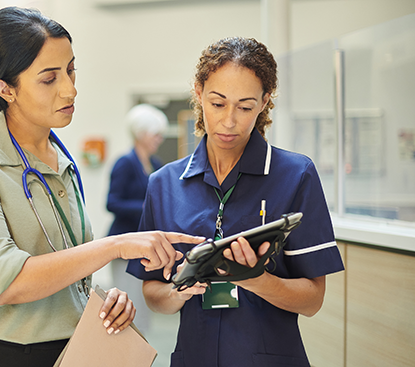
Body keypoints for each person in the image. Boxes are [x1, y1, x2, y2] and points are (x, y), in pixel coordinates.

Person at [0, 7, 202, 367]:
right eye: (49, 79)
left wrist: (101, 299)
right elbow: (6, 282)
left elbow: (66, 267)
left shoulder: (60, 157)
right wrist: (116, 245)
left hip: (70, 350)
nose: (70, 89)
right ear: (5, 89)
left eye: (71, 70)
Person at [127, 37, 345, 367]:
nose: (230, 121)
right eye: (217, 103)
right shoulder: (164, 184)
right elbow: (152, 292)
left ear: (264, 102)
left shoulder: (296, 175)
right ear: (199, 94)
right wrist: (179, 291)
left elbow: (312, 299)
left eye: (245, 107)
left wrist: (256, 279)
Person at [106, 103, 168, 335]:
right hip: (123, 249)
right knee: (126, 311)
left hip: (144, 251)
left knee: (142, 314)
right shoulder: (125, 163)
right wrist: (144, 207)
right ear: (141, 134)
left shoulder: (155, 165)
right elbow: (112, 202)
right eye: (156, 134)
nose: (159, 139)